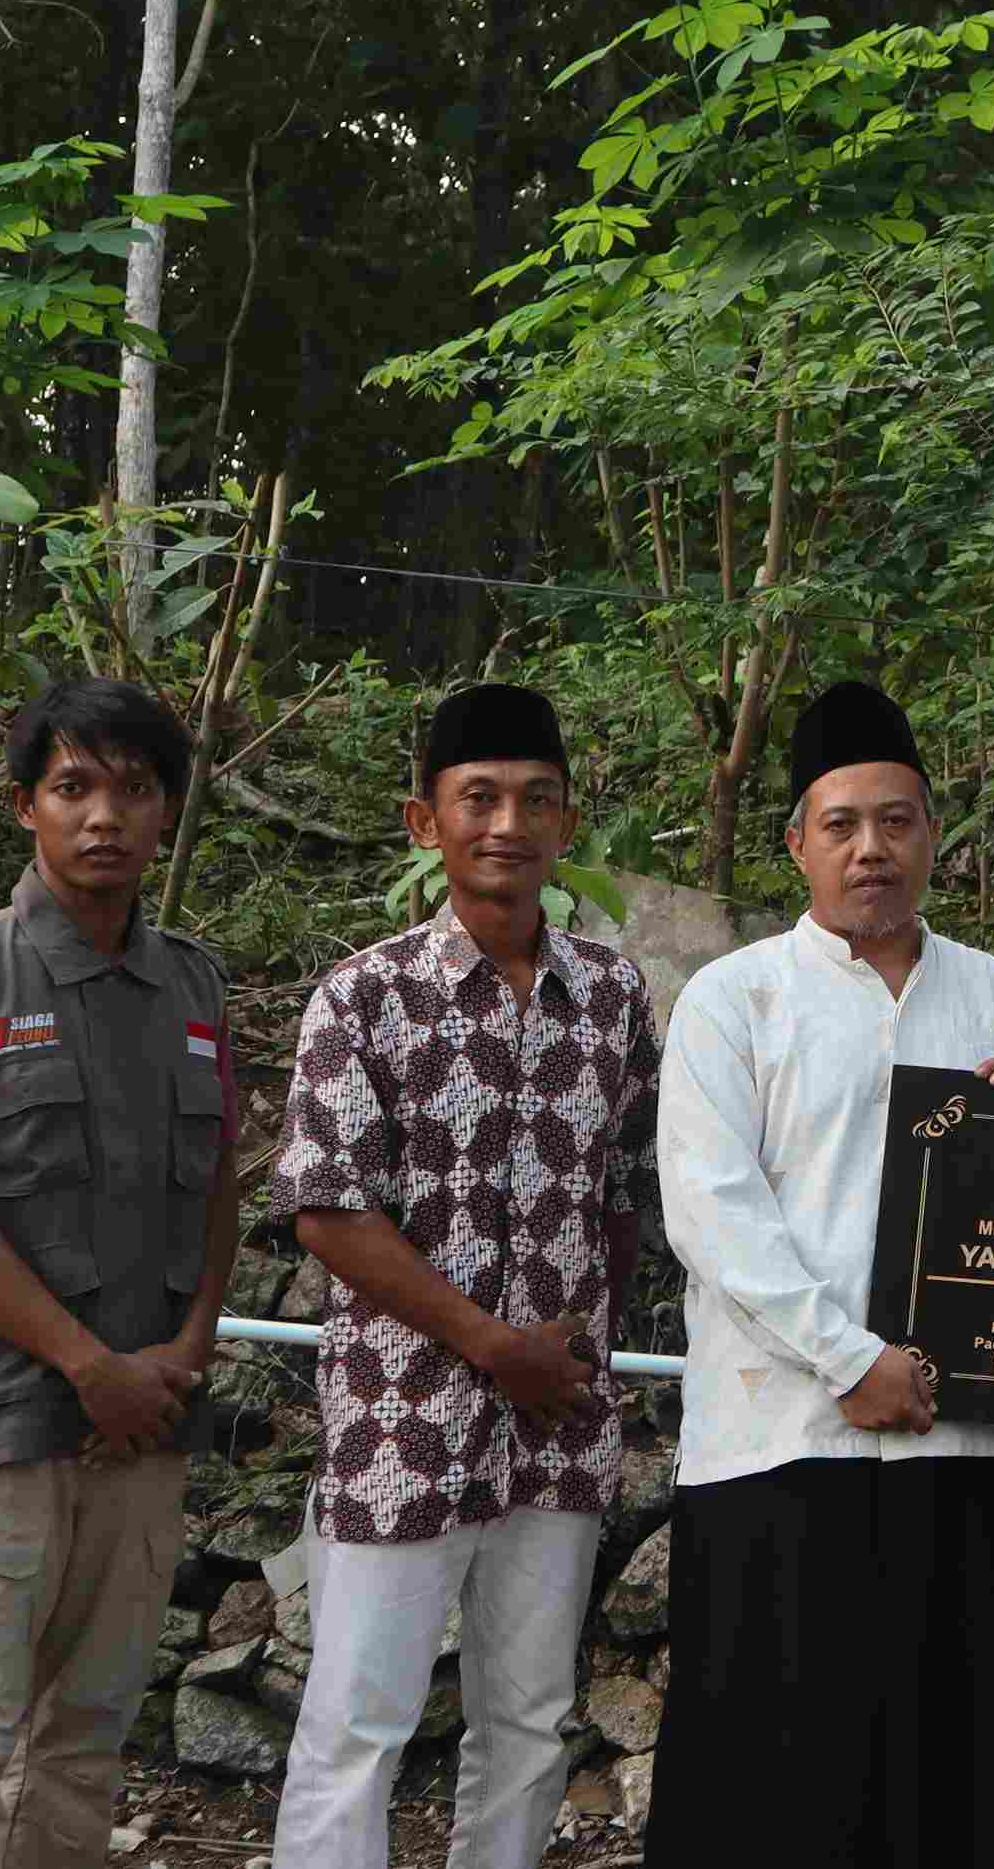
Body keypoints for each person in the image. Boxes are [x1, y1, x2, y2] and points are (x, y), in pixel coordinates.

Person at [646, 680, 994, 1868]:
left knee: (927, 1767)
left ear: (933, 833)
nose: (870, 849)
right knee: (770, 1777)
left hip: (947, 1438)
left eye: (897, 820)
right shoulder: (737, 997)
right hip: (780, 1440)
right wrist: (850, 1356)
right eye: (841, 824)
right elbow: (714, 1212)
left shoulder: (991, 992)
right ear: (797, 843)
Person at [266, 684, 662, 1869]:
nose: (508, 822)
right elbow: (329, 1211)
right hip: (400, 1415)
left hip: (559, 1421)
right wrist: (494, 1343)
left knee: (532, 1717)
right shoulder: (363, 994)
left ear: (567, 820)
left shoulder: (614, 996)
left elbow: (626, 1194)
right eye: (477, 797)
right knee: (360, 1717)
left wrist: (574, 1340)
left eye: (536, 799)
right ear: (421, 821)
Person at [0, 678, 241, 1869]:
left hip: (140, 1435)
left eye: (135, 789)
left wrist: (185, 1348)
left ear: (168, 810)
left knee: (82, 1748)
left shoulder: (195, 985)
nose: (105, 817)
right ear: (24, 803)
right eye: (74, 786)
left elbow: (219, 1180)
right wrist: (87, 1364)